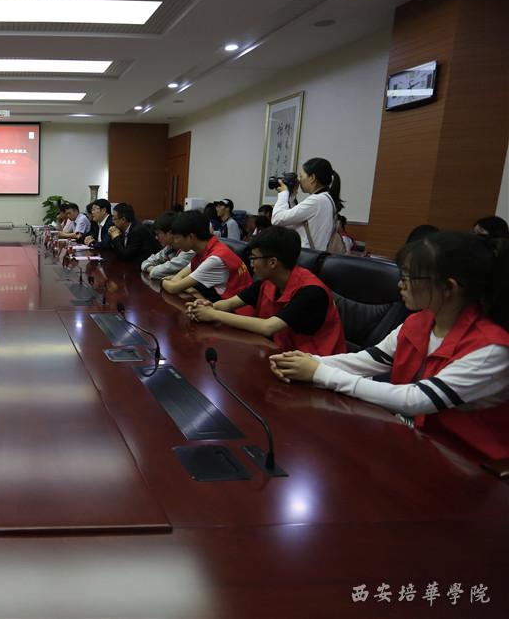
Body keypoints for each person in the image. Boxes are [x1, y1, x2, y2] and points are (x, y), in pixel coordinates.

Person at [269, 231, 509, 460]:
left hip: (467, 463)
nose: (400, 285)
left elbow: (416, 400)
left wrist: (320, 373)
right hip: (415, 442)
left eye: (409, 278)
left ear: (449, 287)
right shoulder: (421, 321)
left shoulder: (491, 349)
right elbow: (369, 360)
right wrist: (305, 362)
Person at [186, 226, 346, 355]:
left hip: (317, 366)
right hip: (280, 353)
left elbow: (268, 327)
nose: (251, 264)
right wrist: (207, 307)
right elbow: (229, 303)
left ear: (272, 262)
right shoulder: (268, 282)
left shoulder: (311, 292)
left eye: (254, 258)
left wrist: (213, 314)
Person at [161, 211, 251, 301]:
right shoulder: (205, 250)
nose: (175, 241)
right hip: (219, 301)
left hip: (236, 308)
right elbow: (177, 278)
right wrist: (186, 287)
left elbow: (173, 288)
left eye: (177, 237)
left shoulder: (215, 258)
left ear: (191, 237)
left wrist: (162, 281)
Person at [271, 157, 344, 251]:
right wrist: (292, 197)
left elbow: (277, 219)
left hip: (307, 256)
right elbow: (292, 221)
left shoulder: (317, 201)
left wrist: (283, 193)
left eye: (301, 176)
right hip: (314, 255)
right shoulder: (326, 199)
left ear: (312, 178)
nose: (299, 180)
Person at [141, 211, 193, 279]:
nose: (156, 238)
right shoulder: (170, 248)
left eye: (158, 234)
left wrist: (153, 270)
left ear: (170, 233)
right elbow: (145, 263)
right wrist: (154, 270)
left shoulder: (189, 251)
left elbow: (156, 273)